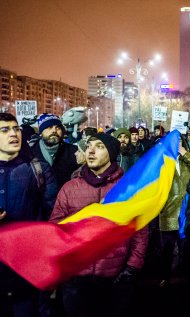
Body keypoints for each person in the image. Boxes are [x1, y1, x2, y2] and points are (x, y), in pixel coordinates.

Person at [49, 132, 148, 317]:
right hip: (76, 278)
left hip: (114, 277)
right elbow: (55, 228)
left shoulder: (127, 190)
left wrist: (132, 267)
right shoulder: (70, 188)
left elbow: (140, 231)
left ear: (111, 153)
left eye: (99, 147)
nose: (91, 151)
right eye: (89, 146)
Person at [0, 113, 58, 317]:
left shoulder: (38, 170)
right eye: (4, 130)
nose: (13, 134)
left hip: (28, 268)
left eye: (15, 129)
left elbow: (54, 217)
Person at [152, 136, 190, 287]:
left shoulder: (186, 160)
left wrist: (185, 153)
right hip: (168, 212)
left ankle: (186, 278)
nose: (176, 144)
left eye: (179, 141)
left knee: (186, 249)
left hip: (186, 213)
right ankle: (164, 277)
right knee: (167, 249)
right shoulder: (160, 162)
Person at [29, 113, 80, 189]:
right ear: (41, 132)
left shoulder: (73, 151)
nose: (54, 131)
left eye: (58, 128)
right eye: (49, 127)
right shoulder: (30, 153)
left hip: (65, 198)